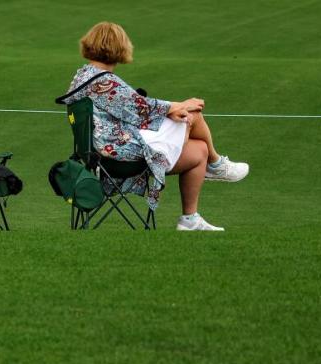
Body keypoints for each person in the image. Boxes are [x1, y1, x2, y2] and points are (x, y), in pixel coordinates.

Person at [60, 21, 248, 231]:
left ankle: (190, 219)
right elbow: (141, 109)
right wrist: (180, 106)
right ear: (119, 48)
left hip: (105, 148)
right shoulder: (104, 82)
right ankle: (217, 165)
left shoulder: (84, 75)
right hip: (119, 155)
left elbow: (135, 108)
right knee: (192, 114)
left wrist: (173, 108)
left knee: (199, 150)